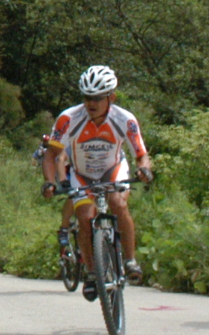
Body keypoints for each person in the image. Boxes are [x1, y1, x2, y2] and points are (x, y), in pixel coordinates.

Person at [41, 65, 151, 295]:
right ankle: (92, 273)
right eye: (87, 97)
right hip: (82, 175)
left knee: (118, 204)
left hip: (113, 169)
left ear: (111, 97)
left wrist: (143, 169)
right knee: (84, 216)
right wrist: (50, 181)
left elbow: (140, 154)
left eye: (98, 98)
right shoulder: (68, 119)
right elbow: (51, 154)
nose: (91, 103)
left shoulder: (125, 119)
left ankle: (130, 260)